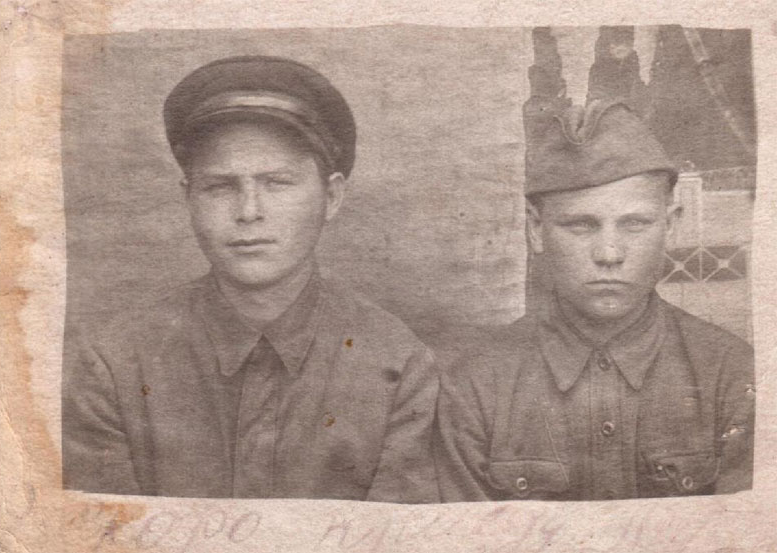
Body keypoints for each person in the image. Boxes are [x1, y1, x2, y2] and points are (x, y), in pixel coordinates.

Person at [62, 56, 439, 502]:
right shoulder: (114, 363)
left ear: (332, 196)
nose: (248, 212)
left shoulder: (398, 364)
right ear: (189, 198)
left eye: (277, 183)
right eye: (220, 187)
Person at [434, 98, 754, 501]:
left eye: (634, 224)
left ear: (670, 225)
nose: (609, 254)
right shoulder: (475, 386)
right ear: (536, 229)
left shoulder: (732, 375)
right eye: (581, 225)